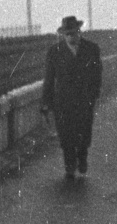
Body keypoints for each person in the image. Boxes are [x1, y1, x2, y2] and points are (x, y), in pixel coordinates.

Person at [41, 15, 102, 179]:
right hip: (63, 100)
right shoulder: (54, 52)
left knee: (83, 131)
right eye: (67, 34)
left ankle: (82, 158)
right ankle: (69, 164)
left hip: (84, 99)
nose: (71, 37)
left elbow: (97, 75)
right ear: (63, 35)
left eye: (73, 33)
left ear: (79, 32)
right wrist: (46, 103)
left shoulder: (92, 49)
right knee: (65, 134)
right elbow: (49, 78)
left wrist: (94, 95)